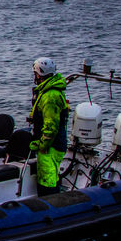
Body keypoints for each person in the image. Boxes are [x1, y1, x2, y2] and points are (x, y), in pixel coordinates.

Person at [29, 57, 70, 196]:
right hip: (52, 144)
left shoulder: (50, 96)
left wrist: (42, 145)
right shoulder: (47, 91)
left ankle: (50, 203)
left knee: (48, 179)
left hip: (51, 146)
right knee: (50, 175)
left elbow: (51, 127)